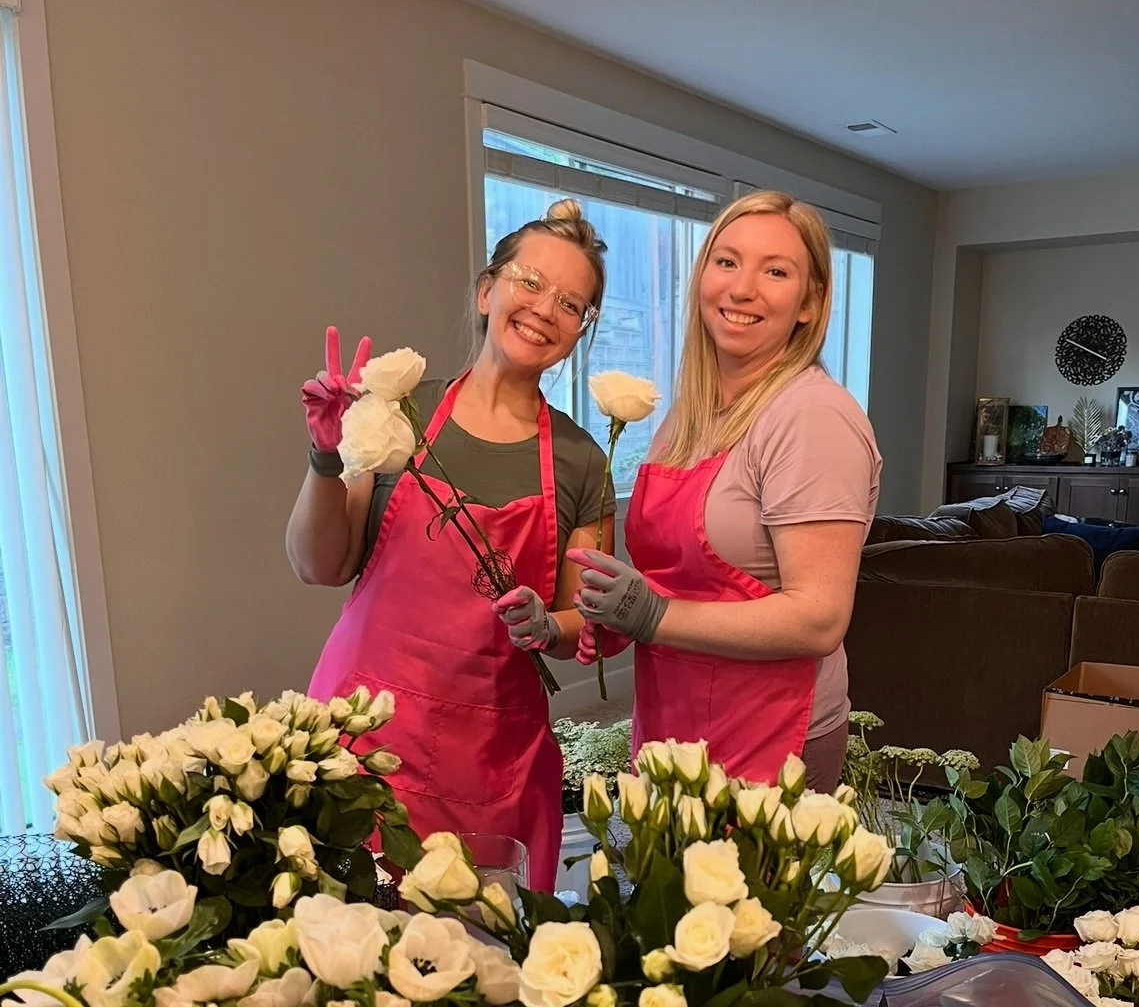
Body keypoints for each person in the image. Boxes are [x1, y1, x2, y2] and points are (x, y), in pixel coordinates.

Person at [287, 199, 615, 890]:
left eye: (570, 303)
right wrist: (324, 454)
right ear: (487, 289)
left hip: (493, 761)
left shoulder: (582, 461)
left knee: (479, 961)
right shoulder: (395, 416)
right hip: (365, 739)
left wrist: (546, 624)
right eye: (530, 282)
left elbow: (580, 619)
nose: (544, 308)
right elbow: (319, 565)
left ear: (579, 331)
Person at [569, 190, 880, 794]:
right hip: (675, 721)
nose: (742, 289)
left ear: (810, 303)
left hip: (773, 734)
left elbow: (819, 619)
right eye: (727, 261)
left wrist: (655, 615)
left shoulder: (812, 417)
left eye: (777, 271)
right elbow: (678, 577)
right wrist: (614, 613)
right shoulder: (689, 414)